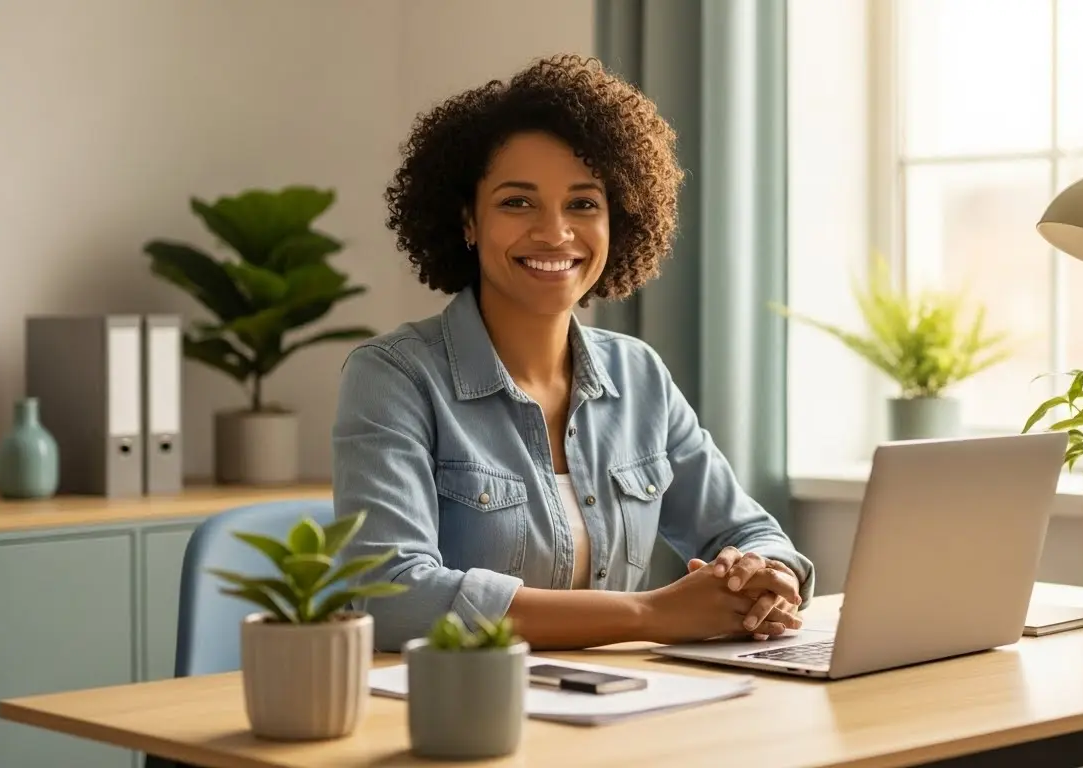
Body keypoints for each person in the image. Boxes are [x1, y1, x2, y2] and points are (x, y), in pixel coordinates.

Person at [332, 54, 814, 652]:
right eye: (517, 202)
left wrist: (769, 576)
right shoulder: (394, 376)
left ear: (620, 219)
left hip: (619, 702)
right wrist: (648, 614)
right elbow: (393, 596)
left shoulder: (638, 375)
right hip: (461, 714)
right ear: (467, 220)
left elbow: (744, 530)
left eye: (583, 204)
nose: (555, 233)